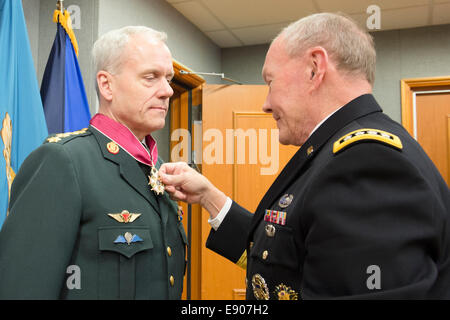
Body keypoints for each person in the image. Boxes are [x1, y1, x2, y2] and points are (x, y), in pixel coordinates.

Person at [160, 13, 450, 299]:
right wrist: (209, 197)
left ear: (314, 68)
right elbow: (283, 259)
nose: (265, 104)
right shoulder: (340, 151)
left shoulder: (365, 159)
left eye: (270, 82)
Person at [0, 26, 187, 299]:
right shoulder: (63, 161)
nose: (167, 91)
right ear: (106, 84)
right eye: (151, 77)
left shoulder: (157, 168)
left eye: (168, 78)